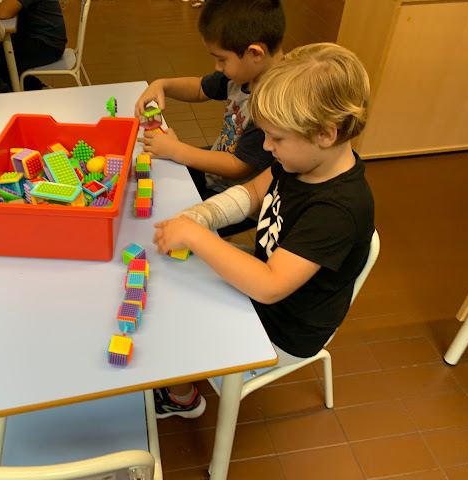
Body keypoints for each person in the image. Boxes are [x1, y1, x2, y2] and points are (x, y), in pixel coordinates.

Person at [151, 42, 375, 418]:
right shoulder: (302, 161)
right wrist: (201, 217)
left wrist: (195, 236)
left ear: (325, 134)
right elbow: (253, 193)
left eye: (277, 138)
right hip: (264, 285)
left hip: (282, 328)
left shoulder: (337, 211)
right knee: (173, 277)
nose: (267, 147)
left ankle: (182, 397)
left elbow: (270, 285)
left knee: (174, 317)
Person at [135, 0, 285, 237]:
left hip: (239, 198)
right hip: (218, 171)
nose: (217, 66)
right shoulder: (245, 73)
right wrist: (162, 85)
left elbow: (238, 166)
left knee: (176, 227)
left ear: (255, 53)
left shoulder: (273, 104)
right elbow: (199, 88)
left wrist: (176, 150)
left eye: (221, 59)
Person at [0, 0, 67, 91]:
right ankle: (32, 87)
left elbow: (4, 11)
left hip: (47, 44)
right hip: (40, 37)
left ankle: (27, 91)